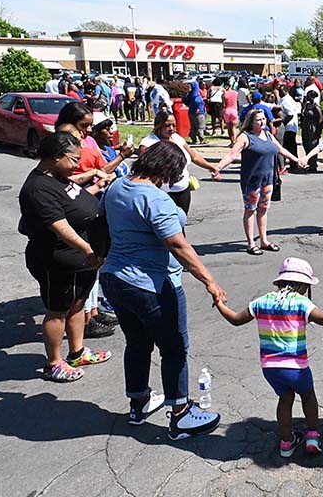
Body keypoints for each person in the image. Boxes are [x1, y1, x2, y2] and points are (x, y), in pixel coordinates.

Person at [99, 141, 225, 439]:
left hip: (115, 279)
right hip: (150, 284)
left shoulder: (117, 187)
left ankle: (139, 403)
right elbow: (177, 244)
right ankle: (180, 415)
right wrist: (209, 280)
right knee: (174, 347)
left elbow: (103, 223)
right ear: (167, 170)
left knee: (137, 342)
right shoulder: (156, 200)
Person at [213, 257, 323, 457]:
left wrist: (220, 303)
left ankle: (286, 443)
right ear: (302, 285)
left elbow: (236, 320)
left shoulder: (262, 301)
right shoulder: (301, 302)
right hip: (296, 368)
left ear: (280, 282)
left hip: (270, 368)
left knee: (285, 398)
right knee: (308, 396)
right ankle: (312, 436)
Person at [18, 132, 112, 382]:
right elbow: (60, 226)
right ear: (56, 156)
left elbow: (76, 201)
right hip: (58, 260)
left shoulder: (60, 178)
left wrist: (97, 185)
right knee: (57, 310)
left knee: (77, 304)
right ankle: (53, 363)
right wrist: (88, 249)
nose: (76, 165)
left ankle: (77, 351)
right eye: (73, 159)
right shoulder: (38, 188)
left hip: (82, 260)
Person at [214, 109, 301, 255]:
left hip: (268, 180)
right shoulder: (245, 137)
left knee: (263, 209)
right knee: (250, 210)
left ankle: (264, 240)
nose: (262, 122)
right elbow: (232, 154)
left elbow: (281, 149)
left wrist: (297, 160)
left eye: (263, 119)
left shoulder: (268, 134)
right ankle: (250, 243)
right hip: (252, 181)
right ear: (251, 122)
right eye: (258, 120)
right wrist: (218, 168)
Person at [138, 112, 219, 215]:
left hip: (183, 189)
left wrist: (212, 167)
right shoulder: (148, 143)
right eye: (167, 125)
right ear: (158, 125)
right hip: (163, 191)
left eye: (174, 125)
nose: (171, 128)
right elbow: (143, 170)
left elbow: (194, 156)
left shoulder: (177, 138)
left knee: (181, 221)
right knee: (169, 224)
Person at [301, 90, 323, 173]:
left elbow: (321, 119)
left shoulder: (316, 107)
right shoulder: (306, 106)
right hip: (306, 127)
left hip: (312, 129)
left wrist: (318, 131)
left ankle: (313, 165)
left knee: (312, 146)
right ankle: (310, 163)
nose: (308, 98)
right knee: (306, 145)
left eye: (310, 96)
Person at [279, 85, 302, 168]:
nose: (279, 92)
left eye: (281, 91)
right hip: (287, 127)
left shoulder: (287, 100)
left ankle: (294, 165)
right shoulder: (283, 100)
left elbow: (290, 114)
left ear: (286, 91)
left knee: (290, 146)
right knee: (287, 146)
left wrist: (283, 123)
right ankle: (288, 164)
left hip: (289, 127)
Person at [222, 80, 240, 146]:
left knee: (229, 128)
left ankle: (232, 141)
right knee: (234, 128)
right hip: (234, 110)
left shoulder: (224, 94)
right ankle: (235, 140)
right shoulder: (235, 93)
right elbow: (237, 102)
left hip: (227, 110)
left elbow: (223, 105)